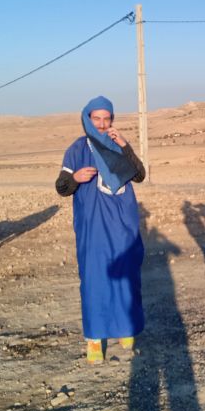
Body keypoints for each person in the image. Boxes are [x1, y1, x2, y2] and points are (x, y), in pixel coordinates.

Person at [56, 96, 146, 364]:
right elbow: (61, 187)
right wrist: (74, 178)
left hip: (123, 224)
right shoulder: (77, 149)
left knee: (125, 274)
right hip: (93, 225)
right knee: (95, 278)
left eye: (107, 119)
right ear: (87, 118)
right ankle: (95, 339)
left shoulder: (119, 147)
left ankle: (125, 330)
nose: (102, 124)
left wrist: (125, 146)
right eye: (97, 118)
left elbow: (139, 175)